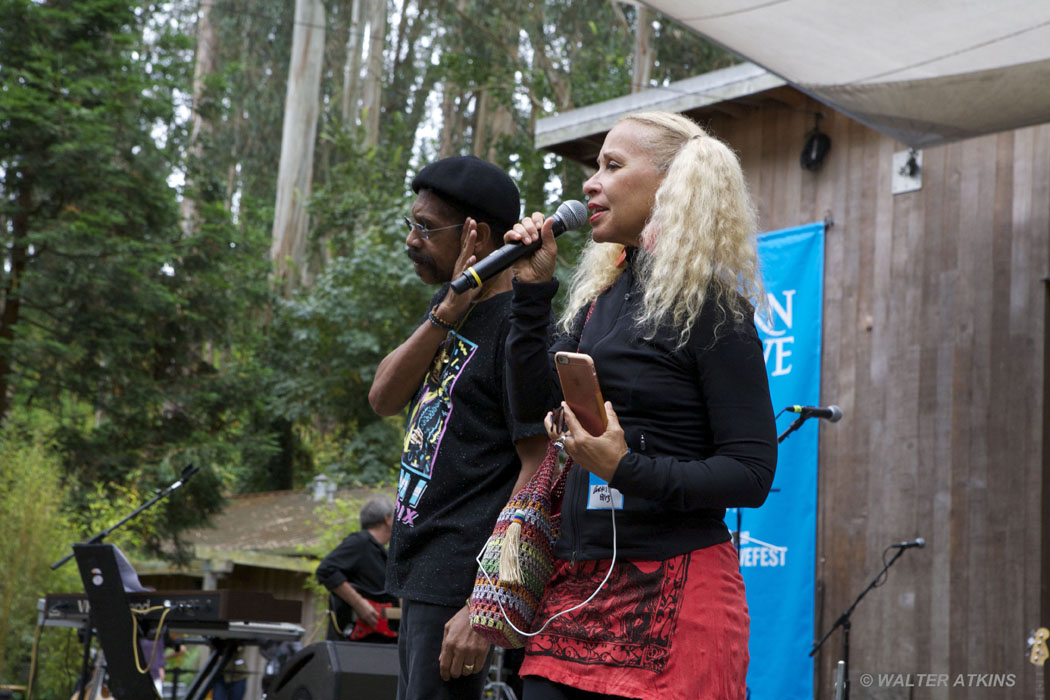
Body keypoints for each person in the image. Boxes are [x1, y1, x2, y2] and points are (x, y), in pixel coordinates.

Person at [503, 110, 778, 699]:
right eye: (595, 166)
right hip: (576, 589)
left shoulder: (714, 310)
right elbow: (531, 405)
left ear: (670, 182)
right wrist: (532, 295)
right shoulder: (602, 300)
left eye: (612, 165)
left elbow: (751, 474)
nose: (589, 183)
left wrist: (625, 469)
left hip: (679, 591)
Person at [368, 155, 549, 700]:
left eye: (427, 228)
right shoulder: (452, 309)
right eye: (411, 224)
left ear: (479, 234)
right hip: (420, 567)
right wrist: (448, 309)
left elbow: (538, 465)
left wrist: (484, 599)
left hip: (462, 576)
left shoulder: (522, 327)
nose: (411, 240)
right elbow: (383, 397)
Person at [315, 495, 397, 642]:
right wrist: (359, 604)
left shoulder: (381, 553)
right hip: (356, 640)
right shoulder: (360, 542)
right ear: (387, 519)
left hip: (377, 641)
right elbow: (325, 570)